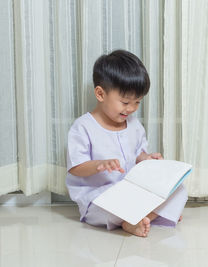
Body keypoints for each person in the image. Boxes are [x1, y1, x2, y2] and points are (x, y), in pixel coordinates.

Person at [65, 50, 188, 237]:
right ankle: (143, 217)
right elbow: (76, 167)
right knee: (104, 208)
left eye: (137, 102)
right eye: (124, 102)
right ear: (100, 94)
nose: (131, 109)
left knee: (179, 189)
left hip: (130, 193)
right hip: (99, 197)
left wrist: (147, 158)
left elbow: (138, 155)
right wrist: (99, 165)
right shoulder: (83, 127)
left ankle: (140, 217)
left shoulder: (134, 125)